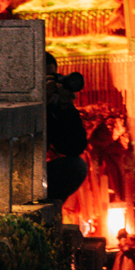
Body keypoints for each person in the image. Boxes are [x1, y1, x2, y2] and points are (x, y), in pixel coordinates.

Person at [45, 52, 88, 209]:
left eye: (52, 76)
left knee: (77, 167)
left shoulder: (54, 105)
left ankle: (50, 211)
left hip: (39, 173)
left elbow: (73, 148)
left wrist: (64, 108)